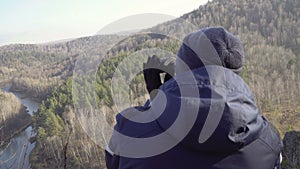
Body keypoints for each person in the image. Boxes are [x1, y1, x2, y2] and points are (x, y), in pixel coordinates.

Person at [105, 27, 283, 169]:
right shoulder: (269, 142)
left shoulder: (129, 132)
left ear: (183, 72)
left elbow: (114, 161)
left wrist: (156, 103)